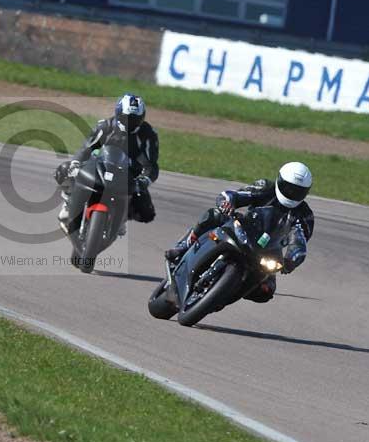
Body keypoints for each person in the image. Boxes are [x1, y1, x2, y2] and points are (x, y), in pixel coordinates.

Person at [165, 162, 314, 303]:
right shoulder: (265, 187)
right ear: (279, 180)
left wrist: (290, 261)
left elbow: (299, 242)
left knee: (266, 291)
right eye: (288, 188)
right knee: (214, 215)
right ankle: (183, 246)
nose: (292, 193)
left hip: (269, 251)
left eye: (298, 191)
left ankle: (225, 294)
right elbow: (234, 195)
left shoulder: (305, 215)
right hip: (244, 228)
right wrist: (227, 203)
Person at [55, 93, 159, 233]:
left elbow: (151, 165)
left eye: (135, 119)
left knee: (147, 211)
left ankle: (122, 218)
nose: (130, 122)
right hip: (99, 167)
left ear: (141, 118)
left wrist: (145, 179)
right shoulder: (106, 126)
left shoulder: (148, 134)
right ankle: (69, 204)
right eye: (127, 117)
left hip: (128, 175)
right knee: (64, 169)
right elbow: (87, 147)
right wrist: (76, 163)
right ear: (118, 113)